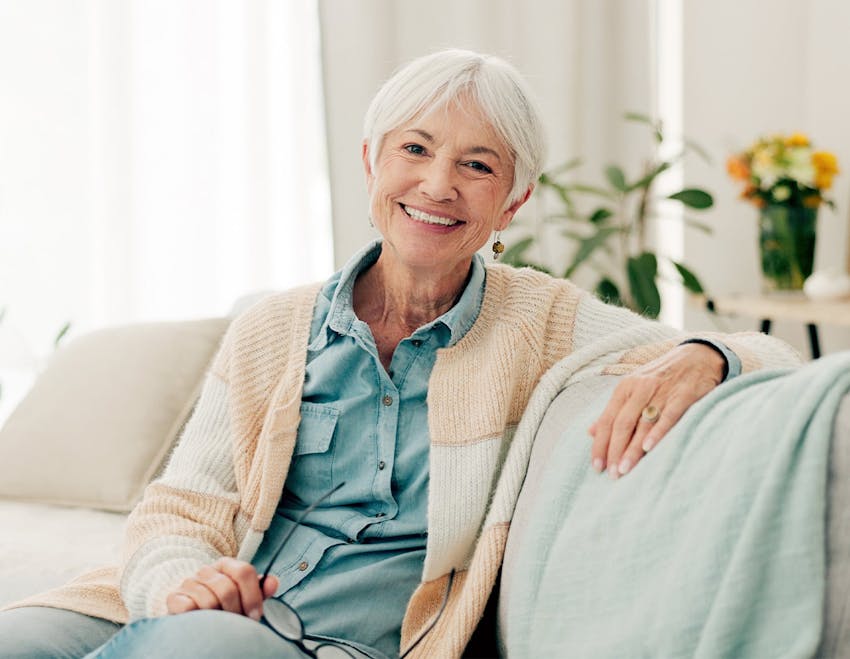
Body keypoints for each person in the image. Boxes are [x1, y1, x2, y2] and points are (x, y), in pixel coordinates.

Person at [0, 49, 800, 658]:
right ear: (371, 164)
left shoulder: (540, 319)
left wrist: (707, 354)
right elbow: (181, 508)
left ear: (513, 202)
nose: (438, 183)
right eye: (415, 149)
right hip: (183, 608)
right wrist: (181, 583)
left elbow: (773, 360)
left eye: (477, 165)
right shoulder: (274, 328)